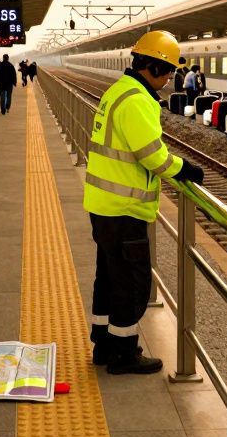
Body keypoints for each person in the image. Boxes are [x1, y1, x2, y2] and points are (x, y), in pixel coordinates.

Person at [84, 30, 205, 374]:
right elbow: (152, 156)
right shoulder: (137, 100)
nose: (169, 79)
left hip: (105, 203)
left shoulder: (119, 91)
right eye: (167, 71)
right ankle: (124, 353)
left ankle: (104, 345)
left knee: (108, 277)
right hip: (125, 208)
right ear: (150, 66)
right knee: (132, 283)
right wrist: (185, 169)